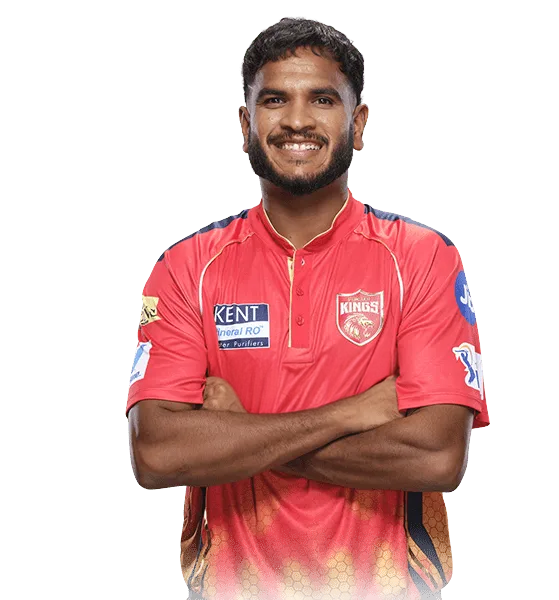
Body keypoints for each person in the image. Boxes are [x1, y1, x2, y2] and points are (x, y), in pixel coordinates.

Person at [126, 17, 489, 600]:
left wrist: (242, 433)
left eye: (322, 99)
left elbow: (437, 457)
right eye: (274, 100)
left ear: (358, 124)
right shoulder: (186, 268)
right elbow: (158, 453)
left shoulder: (422, 259)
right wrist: (352, 413)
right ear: (245, 125)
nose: (297, 119)